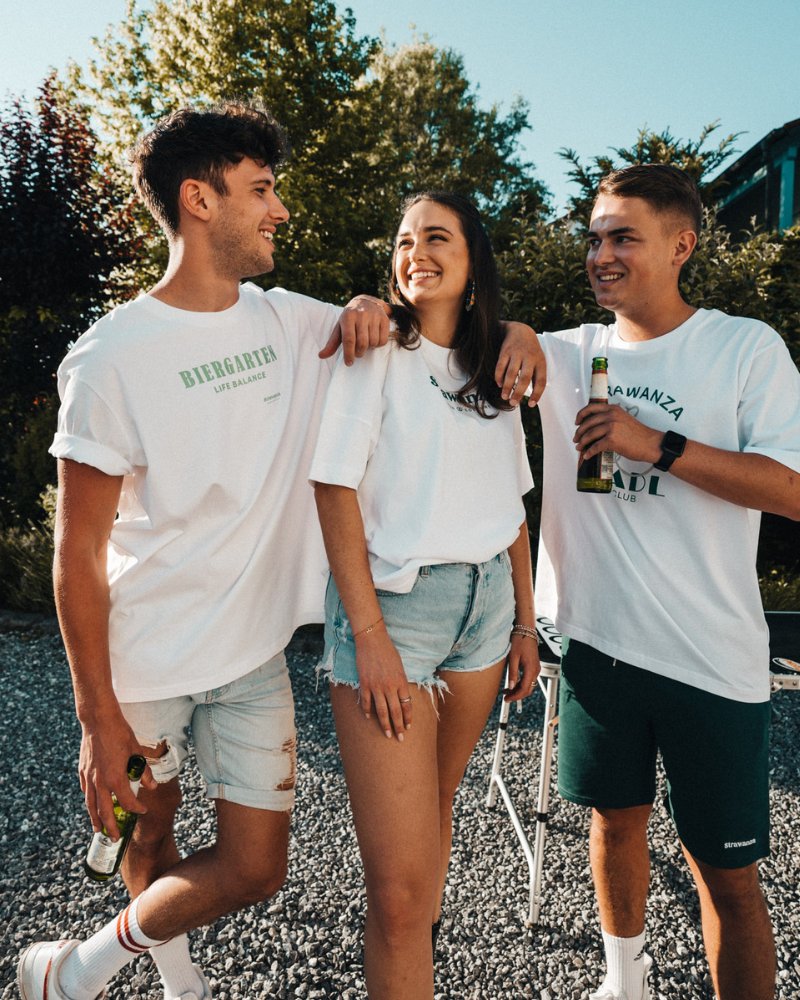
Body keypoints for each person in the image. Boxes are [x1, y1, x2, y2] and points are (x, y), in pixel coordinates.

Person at [17, 104, 542, 1000]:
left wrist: (511, 329)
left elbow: (382, 318)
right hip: (147, 656)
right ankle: (169, 985)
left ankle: (80, 968)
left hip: (253, 653)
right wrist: (96, 717)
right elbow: (77, 555)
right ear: (198, 199)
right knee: (149, 835)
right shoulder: (109, 357)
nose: (281, 210)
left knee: (258, 868)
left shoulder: (285, 319)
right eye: (261, 190)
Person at [534, 164, 800, 1000]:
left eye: (623, 237)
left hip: (710, 657)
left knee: (727, 874)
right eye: (594, 237)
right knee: (612, 823)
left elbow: (792, 487)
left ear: (682, 245)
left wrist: (660, 446)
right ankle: (625, 981)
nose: (601, 254)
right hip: (597, 644)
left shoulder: (743, 346)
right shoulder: (564, 352)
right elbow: (440, 332)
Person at [311, 191, 542, 1000]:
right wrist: (367, 637)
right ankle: (405, 950)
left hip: (484, 614)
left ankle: (411, 960)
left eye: (437, 238)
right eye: (405, 240)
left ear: (475, 259)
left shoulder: (496, 368)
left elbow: (513, 506)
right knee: (403, 894)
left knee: (436, 809)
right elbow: (332, 486)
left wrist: (524, 620)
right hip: (394, 612)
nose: (416, 252)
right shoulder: (375, 348)